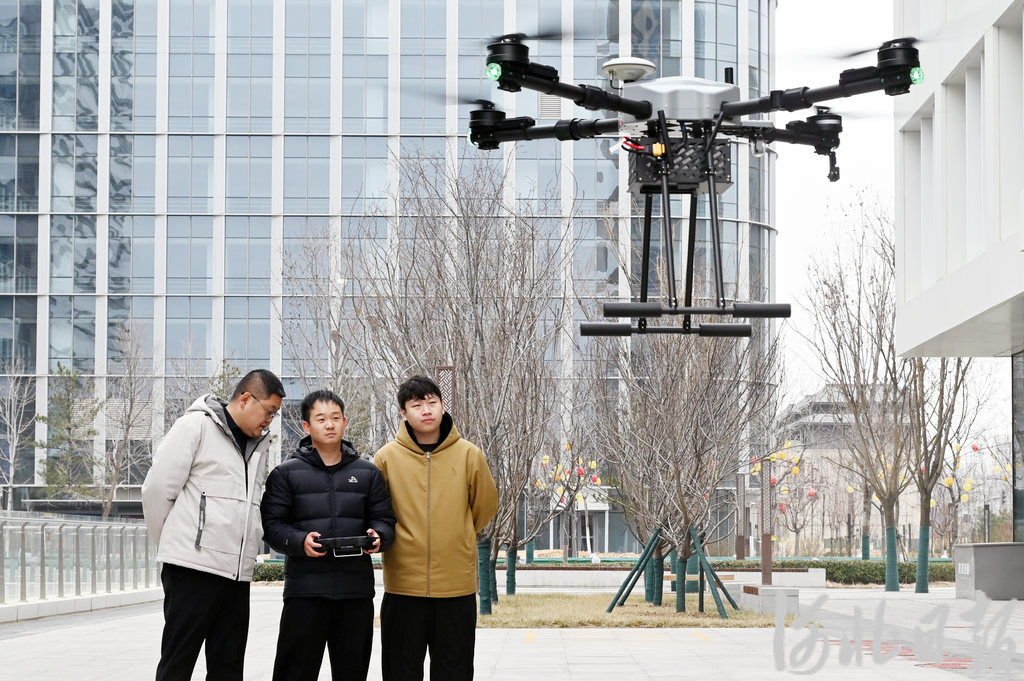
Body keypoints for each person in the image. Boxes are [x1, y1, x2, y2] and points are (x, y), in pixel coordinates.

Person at [142, 369, 286, 681]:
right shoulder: (196, 425)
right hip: (192, 570)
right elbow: (156, 490)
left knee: (228, 667)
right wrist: (176, 545)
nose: (270, 421)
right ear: (245, 399)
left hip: (236, 576)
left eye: (274, 415)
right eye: (269, 411)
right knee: (178, 663)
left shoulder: (258, 446)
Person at [260, 389, 396, 681]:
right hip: (305, 592)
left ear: (345, 422)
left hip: (355, 593)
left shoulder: (368, 473)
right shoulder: (285, 474)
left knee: (352, 673)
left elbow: (385, 519)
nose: (329, 425)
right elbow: (271, 525)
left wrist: (379, 536)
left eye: (335, 418)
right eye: (321, 419)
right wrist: (300, 541)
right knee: (294, 673)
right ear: (307, 426)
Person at [372, 375, 499, 681]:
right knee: (400, 671)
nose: (426, 410)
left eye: (432, 402)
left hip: (456, 588)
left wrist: (458, 533)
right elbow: (377, 512)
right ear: (403, 413)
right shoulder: (386, 458)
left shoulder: (469, 455)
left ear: (443, 406)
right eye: (417, 405)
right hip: (403, 587)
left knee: (454, 671)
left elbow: (484, 506)